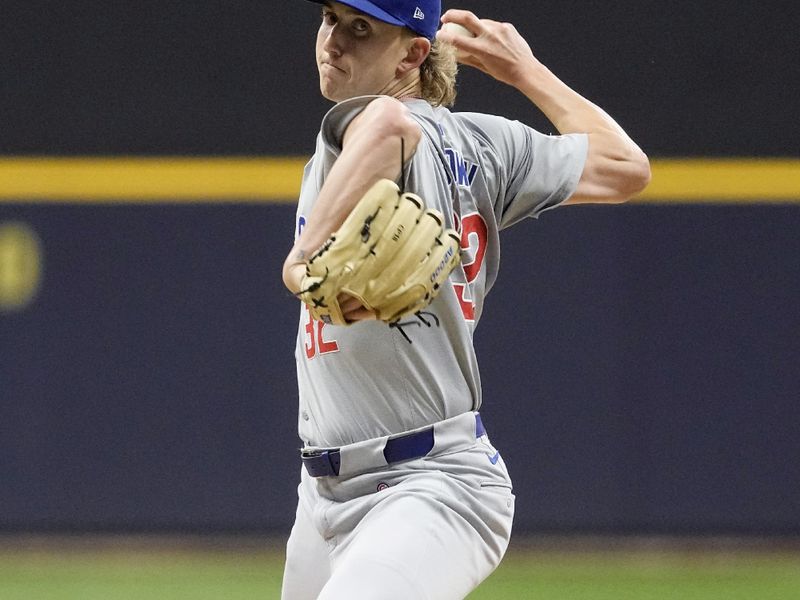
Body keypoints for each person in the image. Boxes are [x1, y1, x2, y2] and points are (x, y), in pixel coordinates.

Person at [280, 1, 650, 597]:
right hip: (325, 493)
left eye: (361, 29)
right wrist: (526, 73)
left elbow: (391, 126)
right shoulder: (483, 144)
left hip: (427, 486)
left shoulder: (370, 123)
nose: (332, 42)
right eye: (329, 18)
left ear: (413, 54)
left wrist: (301, 260)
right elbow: (623, 166)